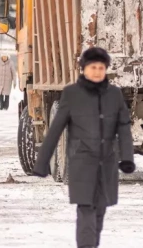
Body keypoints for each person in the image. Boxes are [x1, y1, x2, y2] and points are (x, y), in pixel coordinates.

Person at [32, 47, 135, 248]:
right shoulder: (72, 94)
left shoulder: (114, 94)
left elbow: (123, 127)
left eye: (101, 67)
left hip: (107, 163)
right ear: (84, 69)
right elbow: (55, 129)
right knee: (86, 208)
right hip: (82, 162)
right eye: (93, 67)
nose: (97, 71)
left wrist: (127, 157)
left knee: (100, 210)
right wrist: (42, 163)